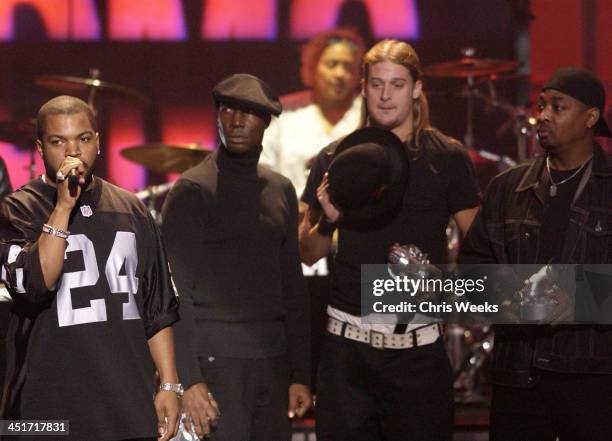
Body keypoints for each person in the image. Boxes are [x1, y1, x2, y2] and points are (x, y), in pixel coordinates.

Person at [299, 39, 480, 441]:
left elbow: (481, 246)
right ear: (363, 88)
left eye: (397, 84)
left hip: (417, 354)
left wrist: (436, 284)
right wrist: (329, 222)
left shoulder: (447, 158)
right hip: (347, 354)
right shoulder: (334, 158)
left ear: (417, 88)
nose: (385, 95)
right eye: (377, 84)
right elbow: (307, 253)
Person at [0, 96, 181, 441]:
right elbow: (36, 283)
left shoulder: (132, 210)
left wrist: (170, 383)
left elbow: (157, 308)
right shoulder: (17, 210)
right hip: (44, 415)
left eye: (83, 139)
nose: (73, 153)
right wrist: (63, 208)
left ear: (98, 141)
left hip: (125, 406)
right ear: (40, 147)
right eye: (58, 142)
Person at [459, 67, 612, 441]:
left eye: (557, 107)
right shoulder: (507, 188)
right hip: (516, 376)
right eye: (541, 105)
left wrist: (574, 298)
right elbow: (470, 273)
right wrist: (506, 299)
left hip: (592, 379)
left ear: (590, 118)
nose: (542, 116)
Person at [162, 73, 312, 441]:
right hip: (216, 363)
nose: (236, 120)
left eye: (248, 111)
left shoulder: (280, 190)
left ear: (266, 120)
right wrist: (189, 380)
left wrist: (302, 374)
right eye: (227, 109)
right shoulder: (193, 190)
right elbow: (175, 292)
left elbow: (292, 285)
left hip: (273, 364)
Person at [261, 27, 365, 391]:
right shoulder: (284, 118)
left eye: (349, 67)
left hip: (354, 253)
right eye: (332, 64)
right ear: (311, 68)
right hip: (293, 247)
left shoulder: (368, 119)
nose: (340, 74)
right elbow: (263, 186)